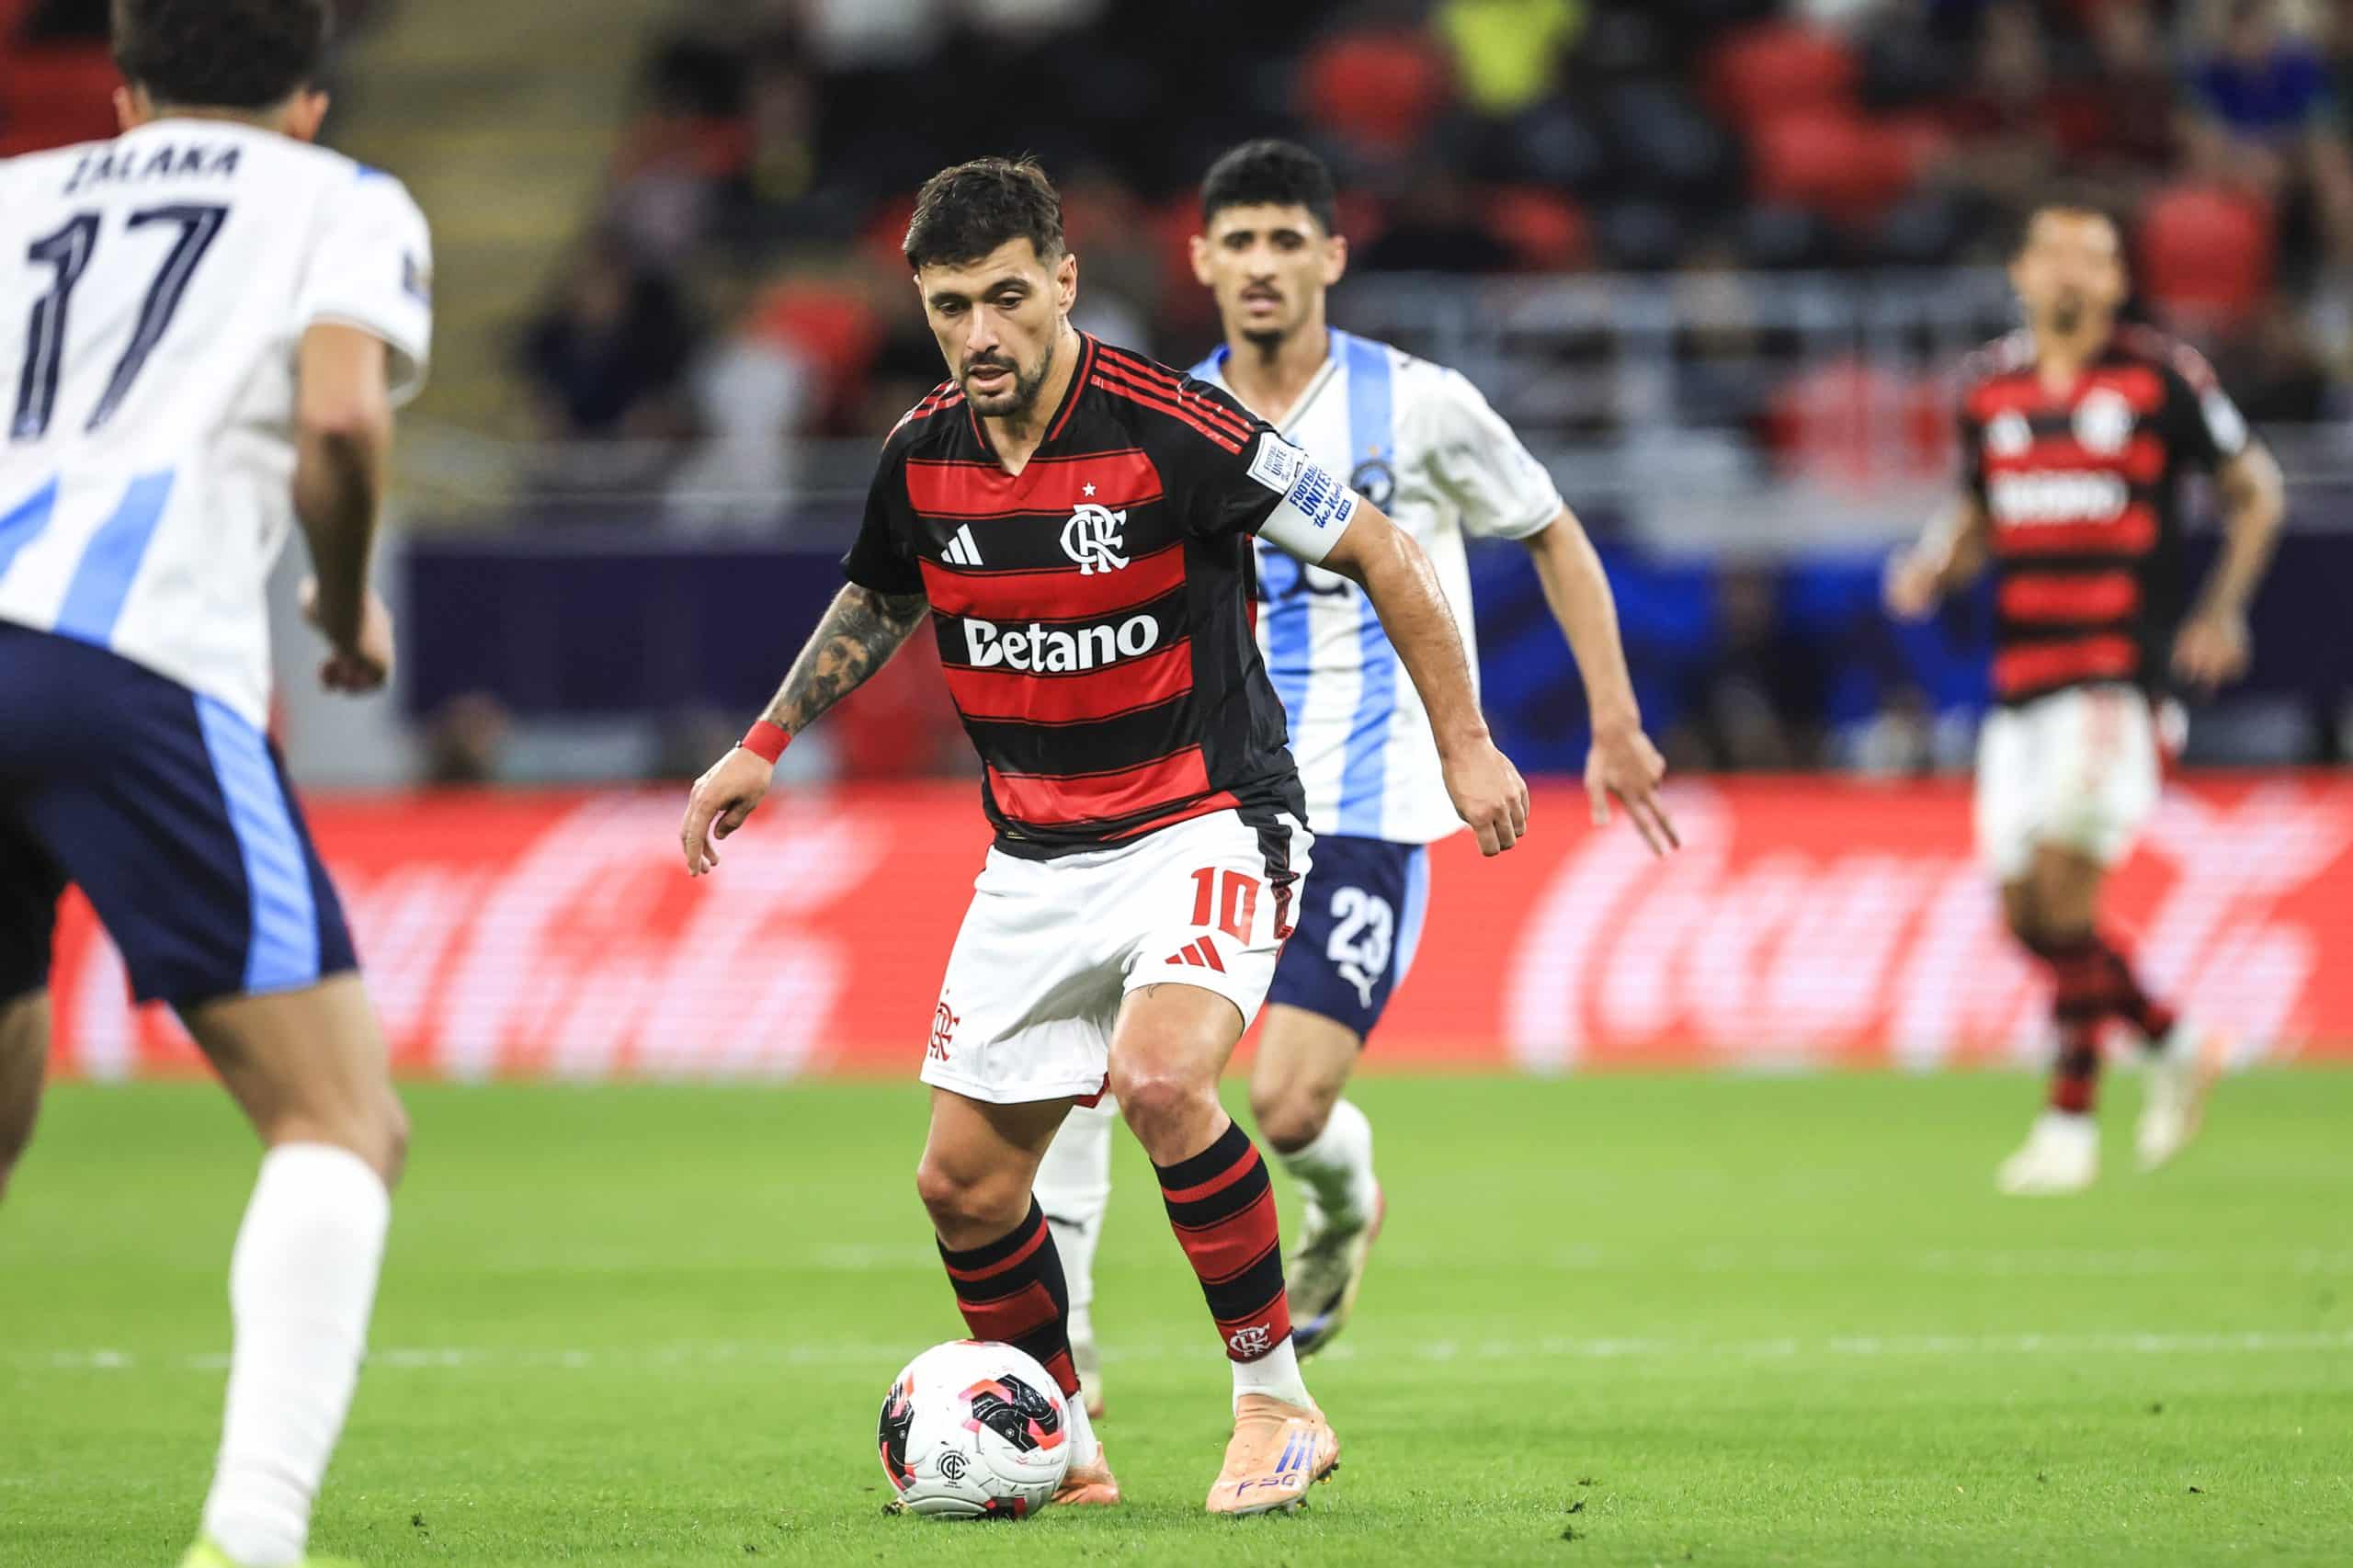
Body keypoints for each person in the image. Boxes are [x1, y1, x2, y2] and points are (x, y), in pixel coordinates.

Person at [677, 156, 1529, 1517]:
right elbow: (879, 597)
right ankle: (1059, 1434)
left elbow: (1379, 546)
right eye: (952, 306)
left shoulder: (1171, 426)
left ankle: (1277, 1408)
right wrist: (763, 743)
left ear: (1065, 283)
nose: (981, 335)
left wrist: (1467, 741)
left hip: (1209, 820)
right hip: (1033, 856)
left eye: (1008, 298)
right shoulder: (921, 452)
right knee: (961, 1184)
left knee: (1162, 1083)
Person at [1029, 140, 1676, 1413]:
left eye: (1288, 240)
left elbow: (1549, 526)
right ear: (1201, 260)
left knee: (1289, 1098)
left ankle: (1346, 1198)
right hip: (1213, 804)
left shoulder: (1419, 404)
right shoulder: (1167, 414)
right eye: (1240, 242)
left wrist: (1612, 717)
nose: (1263, 264)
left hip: (1375, 799)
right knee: (1100, 1058)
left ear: (1330, 255)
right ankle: (1067, 1358)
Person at [0, 3, 431, 1565]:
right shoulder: (343, 201)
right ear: (311, 100)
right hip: (130, 657)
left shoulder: (17, 197)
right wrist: (336, 597)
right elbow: (336, 412)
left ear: (121, 92)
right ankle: (249, 1538)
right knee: (338, 1116)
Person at [1885, 198, 2285, 1196]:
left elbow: (2256, 490)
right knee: (2025, 912)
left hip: (2112, 675)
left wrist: (2222, 610)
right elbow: (1979, 510)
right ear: (2020, 272)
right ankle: (2175, 1038)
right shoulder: (1988, 389)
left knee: (2066, 887)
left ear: (2116, 283)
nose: (2072, 273)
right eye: (2054, 255)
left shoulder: (2159, 377)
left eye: (2094, 259)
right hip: (2018, 682)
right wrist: (1935, 564)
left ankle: (2067, 1122)